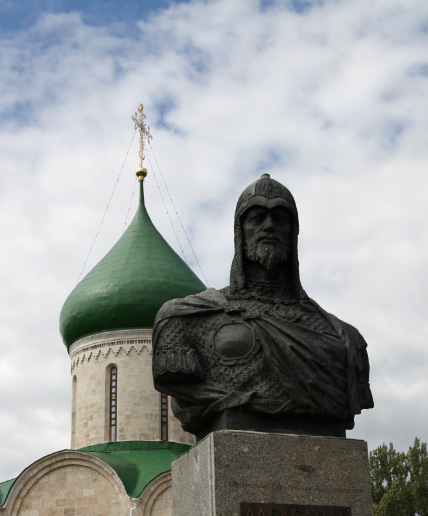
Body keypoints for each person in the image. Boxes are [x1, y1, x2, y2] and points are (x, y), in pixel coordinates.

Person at [152, 174, 374, 439]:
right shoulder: (185, 319)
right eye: (257, 218)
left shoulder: (345, 340)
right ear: (240, 232)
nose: (269, 226)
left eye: (280, 218)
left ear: (293, 233)